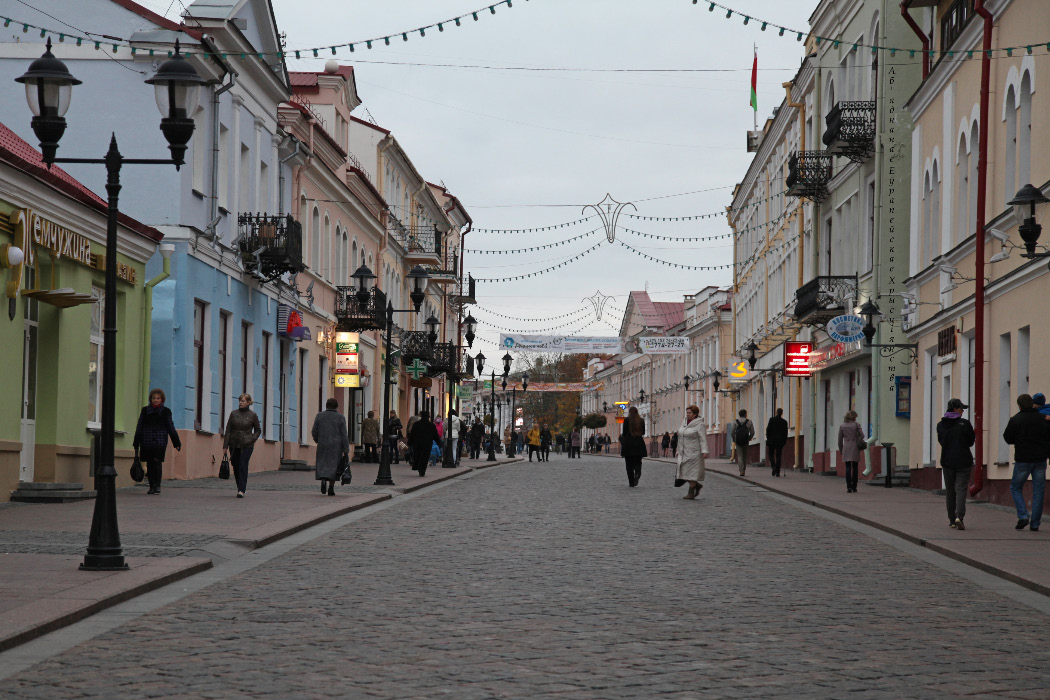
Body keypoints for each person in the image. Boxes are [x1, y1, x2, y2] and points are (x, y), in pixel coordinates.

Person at [1003, 393, 1050, 532]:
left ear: (1019, 405)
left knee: (1016, 487)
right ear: (1032, 404)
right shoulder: (1044, 419)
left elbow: (1007, 438)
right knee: (1039, 491)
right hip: (1040, 459)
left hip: (1023, 459)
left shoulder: (1016, 419)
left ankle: (1023, 515)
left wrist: (1019, 439)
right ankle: (1035, 523)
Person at [132, 388, 181, 495]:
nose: (155, 400)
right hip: (146, 441)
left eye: (158, 398)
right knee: (149, 464)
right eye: (153, 398)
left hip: (160, 441)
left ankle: (157, 485)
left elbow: (170, 427)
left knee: (157, 462)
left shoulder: (165, 411)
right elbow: (139, 426)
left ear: (162, 399)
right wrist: (136, 441)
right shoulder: (145, 411)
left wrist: (176, 442)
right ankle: (151, 486)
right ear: (150, 399)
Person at [937, 398, 975, 530]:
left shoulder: (941, 425)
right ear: (955, 409)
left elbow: (942, 441)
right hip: (963, 461)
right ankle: (959, 516)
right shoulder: (964, 424)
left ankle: (952, 520)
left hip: (947, 461)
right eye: (961, 408)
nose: (963, 411)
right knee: (961, 489)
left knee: (950, 491)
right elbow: (971, 442)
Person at [223, 393, 262, 498]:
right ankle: (239, 486)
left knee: (243, 465)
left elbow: (258, 430)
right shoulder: (233, 414)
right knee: (235, 466)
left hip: (247, 445)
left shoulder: (252, 415)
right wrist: (225, 446)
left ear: (248, 402)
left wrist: (252, 439)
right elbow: (228, 430)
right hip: (234, 444)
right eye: (240, 400)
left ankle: (241, 490)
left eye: (243, 401)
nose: (240, 402)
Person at [312, 398, 350, 496]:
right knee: (334, 466)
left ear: (326, 405)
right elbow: (344, 435)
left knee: (323, 462)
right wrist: (346, 449)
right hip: (336, 445)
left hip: (323, 444)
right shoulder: (340, 417)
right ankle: (331, 488)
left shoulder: (319, 416)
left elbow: (314, 431)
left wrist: (318, 440)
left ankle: (323, 479)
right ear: (336, 406)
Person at [677, 404, 709, 499]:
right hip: (684, 452)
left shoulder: (700, 424)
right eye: (687, 412)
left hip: (695, 452)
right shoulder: (684, 423)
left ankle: (691, 493)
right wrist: (678, 450)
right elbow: (680, 437)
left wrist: (705, 451)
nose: (687, 414)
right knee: (682, 471)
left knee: (693, 473)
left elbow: (702, 438)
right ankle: (697, 485)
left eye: (690, 413)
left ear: (695, 414)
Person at [837, 410, 865, 493]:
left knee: (848, 467)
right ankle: (854, 487)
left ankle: (848, 487)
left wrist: (841, 449)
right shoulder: (857, 425)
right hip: (855, 447)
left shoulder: (842, 426)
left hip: (846, 447)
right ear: (853, 417)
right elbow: (862, 436)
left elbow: (839, 440)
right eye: (855, 417)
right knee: (855, 467)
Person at [620, 406, 647, 487]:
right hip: (639, 443)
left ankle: (631, 482)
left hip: (628, 444)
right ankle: (637, 473)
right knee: (638, 461)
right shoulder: (641, 420)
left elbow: (624, 433)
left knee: (628, 464)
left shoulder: (626, 420)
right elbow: (643, 433)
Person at [408, 410, 440, 476]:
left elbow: (412, 434)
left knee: (418, 455)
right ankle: (422, 470)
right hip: (427, 444)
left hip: (417, 443)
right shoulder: (431, 425)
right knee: (425, 457)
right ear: (428, 417)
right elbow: (435, 435)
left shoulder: (416, 424)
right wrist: (439, 443)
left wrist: (410, 442)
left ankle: (419, 467)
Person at [766, 408, 788, 477]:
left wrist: (768, 438)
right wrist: (784, 441)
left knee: (771, 454)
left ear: (776, 412)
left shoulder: (771, 420)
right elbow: (785, 433)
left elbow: (768, 429)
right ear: (782, 413)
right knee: (778, 456)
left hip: (771, 441)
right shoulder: (784, 422)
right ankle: (777, 471)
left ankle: (773, 467)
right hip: (780, 441)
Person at [732, 409, 755, 476]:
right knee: (744, 456)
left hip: (738, 441)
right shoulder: (749, 422)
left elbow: (732, 432)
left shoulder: (735, 422)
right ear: (745, 414)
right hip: (745, 441)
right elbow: (753, 432)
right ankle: (744, 470)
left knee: (739, 456)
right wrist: (749, 438)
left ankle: (741, 470)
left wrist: (734, 439)